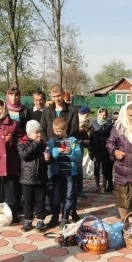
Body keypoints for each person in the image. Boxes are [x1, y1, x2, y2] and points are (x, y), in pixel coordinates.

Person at [40, 84, 79, 219]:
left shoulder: (72, 110)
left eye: (59, 96)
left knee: (70, 187)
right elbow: (43, 129)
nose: (57, 99)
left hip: (67, 149)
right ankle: (52, 210)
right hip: (52, 148)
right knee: (52, 182)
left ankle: (71, 210)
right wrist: (49, 146)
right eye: (54, 96)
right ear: (51, 96)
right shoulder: (47, 111)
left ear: (63, 95)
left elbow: (74, 129)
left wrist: (65, 142)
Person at [46, 117, 82, 229]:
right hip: (57, 174)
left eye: (59, 131)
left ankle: (65, 218)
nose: (56, 133)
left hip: (70, 174)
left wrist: (70, 152)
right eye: (54, 131)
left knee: (69, 196)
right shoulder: (52, 142)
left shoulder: (73, 141)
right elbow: (49, 155)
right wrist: (57, 151)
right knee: (56, 197)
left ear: (65, 128)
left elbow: (78, 156)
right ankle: (54, 217)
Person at [17, 120, 50, 233]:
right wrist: (36, 143)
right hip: (27, 178)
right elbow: (24, 155)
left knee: (40, 201)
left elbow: (48, 159)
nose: (39, 135)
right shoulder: (22, 142)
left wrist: (48, 159)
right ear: (30, 133)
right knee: (28, 201)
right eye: (37, 132)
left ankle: (40, 220)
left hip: (41, 177)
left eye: (40, 132)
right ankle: (28, 220)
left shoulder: (43, 144)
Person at [6, 86, 31, 210]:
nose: (14, 98)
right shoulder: (3, 110)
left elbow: (28, 130)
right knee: (10, 175)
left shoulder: (25, 111)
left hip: (21, 145)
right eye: (11, 95)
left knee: (21, 174)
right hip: (6, 148)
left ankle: (21, 200)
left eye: (16, 95)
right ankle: (11, 202)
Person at [89, 107, 114, 193]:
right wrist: (90, 149)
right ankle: (97, 186)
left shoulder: (109, 125)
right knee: (96, 168)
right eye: (101, 115)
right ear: (99, 115)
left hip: (106, 150)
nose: (103, 116)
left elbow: (112, 138)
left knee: (105, 169)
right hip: (96, 149)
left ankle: (104, 186)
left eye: (105, 115)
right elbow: (91, 138)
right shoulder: (94, 124)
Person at [76, 105, 90, 198]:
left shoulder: (84, 122)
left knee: (79, 169)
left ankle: (79, 189)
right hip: (73, 144)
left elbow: (86, 138)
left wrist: (83, 140)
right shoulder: (77, 118)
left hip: (80, 145)